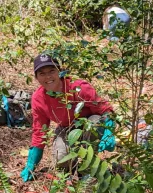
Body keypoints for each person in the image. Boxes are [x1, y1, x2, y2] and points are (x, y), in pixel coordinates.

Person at [20, 53, 116, 181]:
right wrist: (31, 164)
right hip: (67, 128)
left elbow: (105, 110)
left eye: (51, 71)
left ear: (59, 72)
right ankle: (75, 170)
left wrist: (108, 130)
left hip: (89, 122)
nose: (48, 77)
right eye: (42, 73)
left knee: (94, 123)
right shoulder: (38, 98)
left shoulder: (77, 88)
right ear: (36, 77)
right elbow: (39, 131)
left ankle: (89, 168)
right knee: (61, 161)